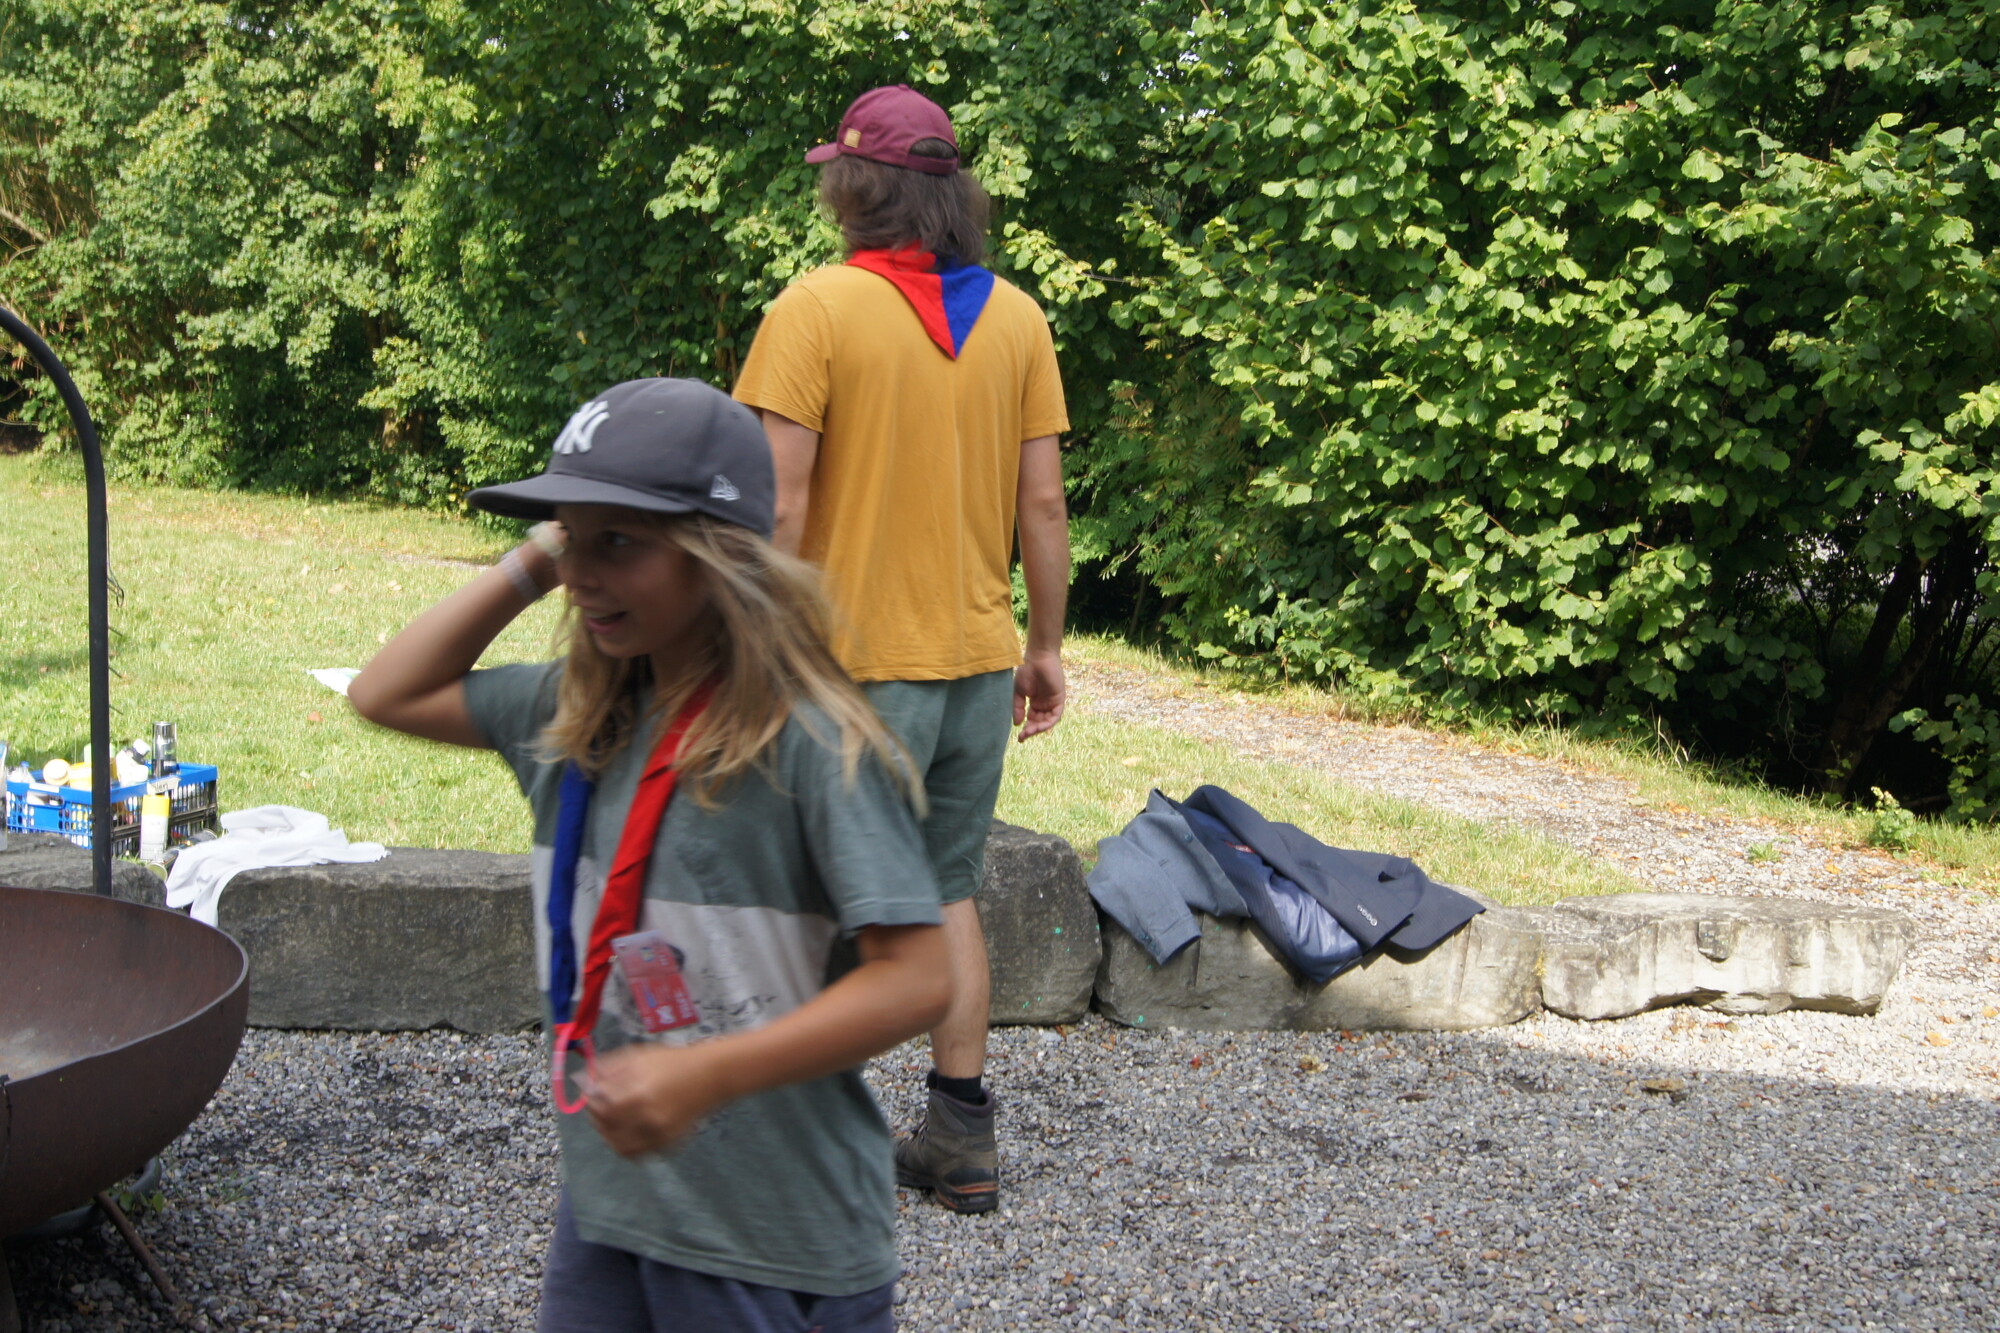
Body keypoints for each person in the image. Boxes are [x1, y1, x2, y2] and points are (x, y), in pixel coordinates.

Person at [347, 377, 952, 1332]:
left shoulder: (810, 744)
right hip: (614, 1208)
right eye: (572, 539)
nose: (583, 575)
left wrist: (705, 1073)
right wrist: (539, 558)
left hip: (771, 1236)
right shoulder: (572, 718)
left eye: (619, 543)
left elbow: (919, 979)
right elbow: (384, 690)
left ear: (720, 556)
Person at [732, 84, 1071, 1215]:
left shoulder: (814, 309)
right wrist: (1044, 647)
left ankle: (793, 1140)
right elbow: (1043, 506)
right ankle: (960, 1137)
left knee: (814, 894)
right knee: (944, 891)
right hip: (973, 665)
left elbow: (779, 506)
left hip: (847, 668)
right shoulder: (1017, 319)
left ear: (852, 188)